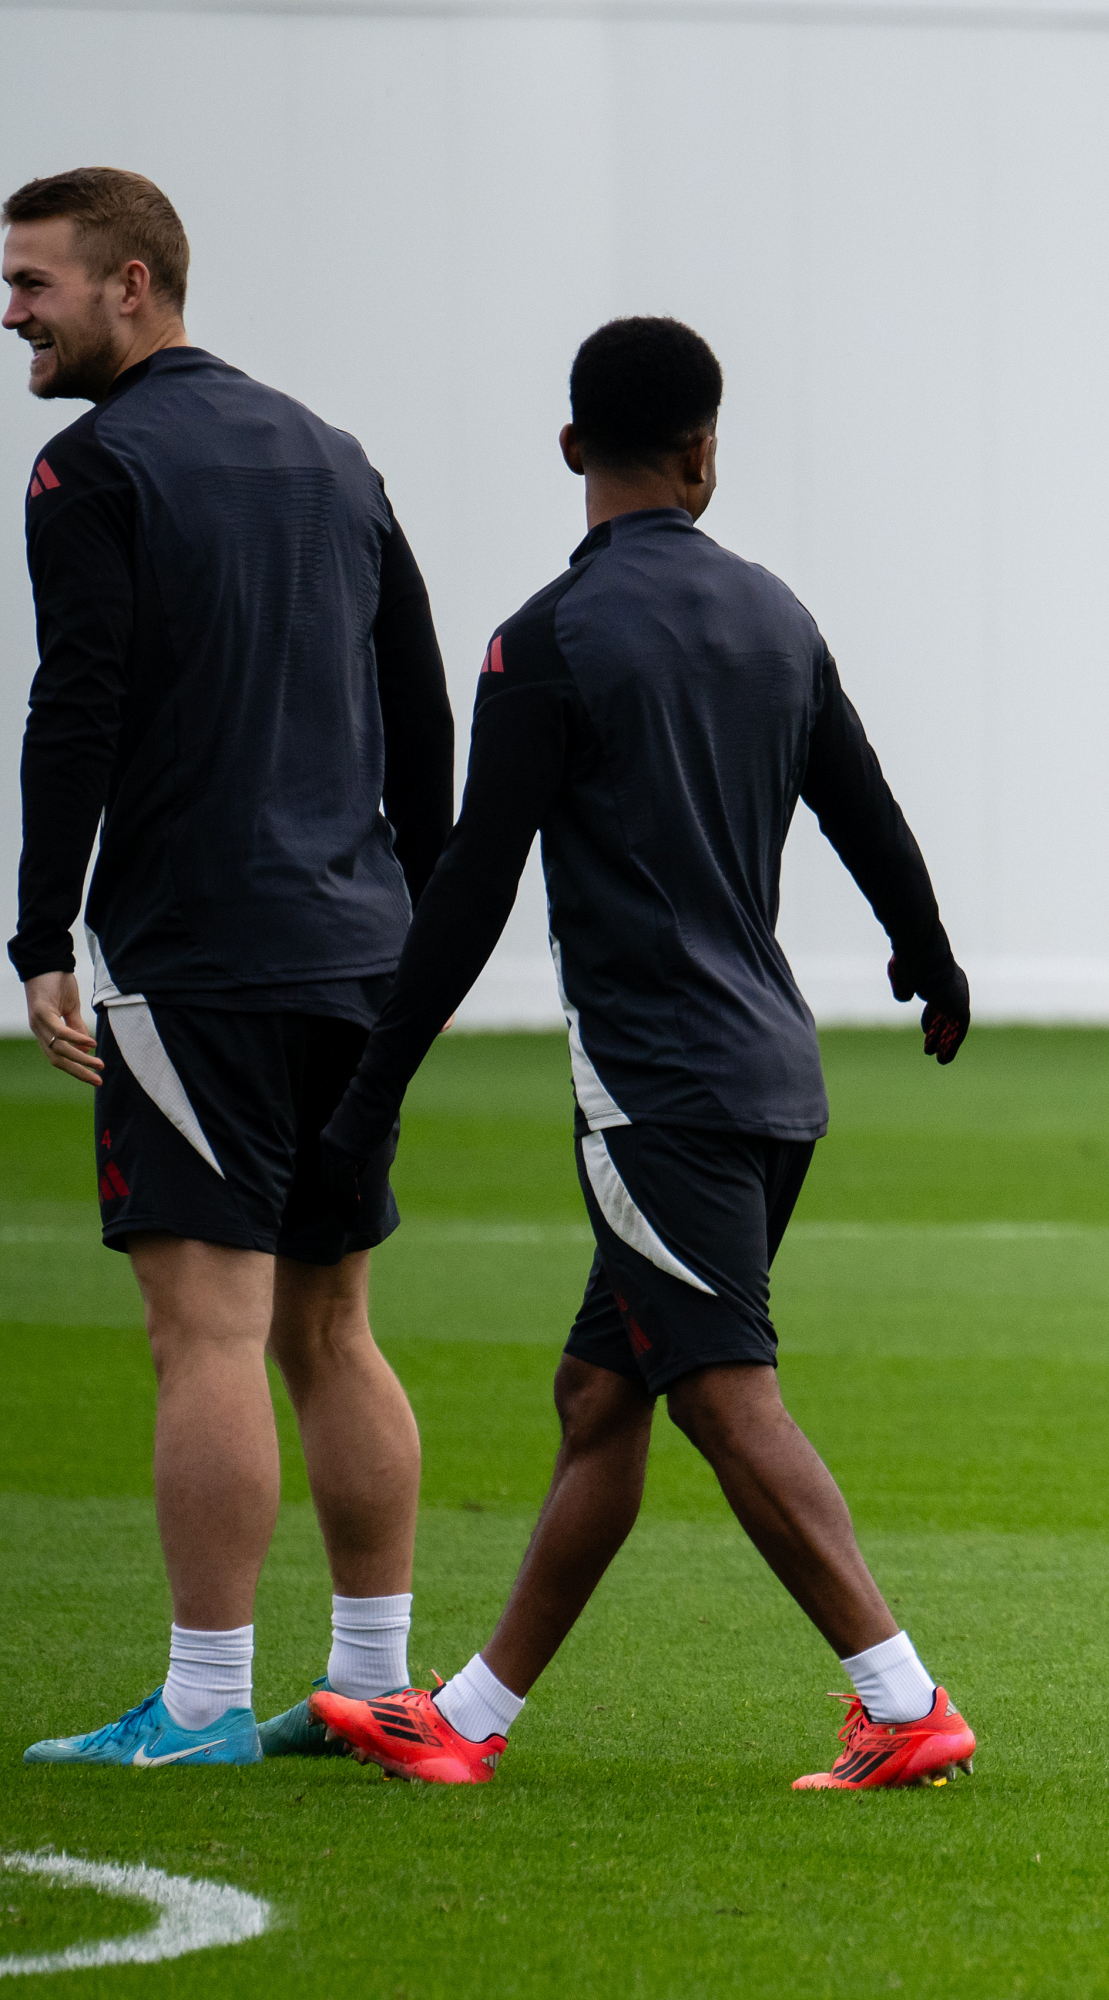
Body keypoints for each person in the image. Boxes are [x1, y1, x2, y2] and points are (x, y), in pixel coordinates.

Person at [303, 316, 979, 1790]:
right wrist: (927, 960)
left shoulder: (543, 642)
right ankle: (468, 1719)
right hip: (770, 1079)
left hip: (654, 1092)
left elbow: (472, 886)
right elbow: (864, 811)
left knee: (726, 1395)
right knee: (601, 1393)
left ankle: (904, 1699)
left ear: (570, 453)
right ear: (703, 453)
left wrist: (367, 1099)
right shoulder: (777, 618)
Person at [10, 168, 450, 1770]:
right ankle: (375, 1684)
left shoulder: (94, 466)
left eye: (34, 283)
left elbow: (81, 705)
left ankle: (199, 1703)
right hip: (361, 950)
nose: (12, 314)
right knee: (333, 1326)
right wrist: (411, 904)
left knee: (202, 1332)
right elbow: (421, 706)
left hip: (203, 957)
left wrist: (41, 929)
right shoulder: (336, 456)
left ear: (133, 284)